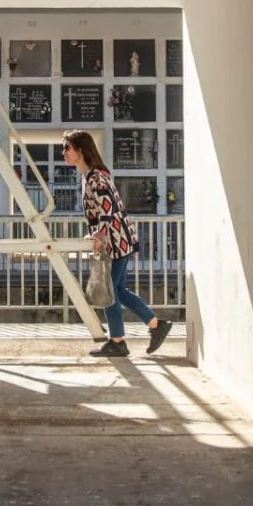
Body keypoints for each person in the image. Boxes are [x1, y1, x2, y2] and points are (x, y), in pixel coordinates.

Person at [63, 129, 172, 359]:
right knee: (118, 290)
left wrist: (100, 235)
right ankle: (154, 325)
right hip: (118, 239)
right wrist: (96, 234)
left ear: (80, 151)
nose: (64, 152)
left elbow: (108, 208)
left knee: (109, 291)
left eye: (67, 148)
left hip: (117, 241)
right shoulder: (88, 176)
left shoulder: (95, 177)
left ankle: (118, 341)